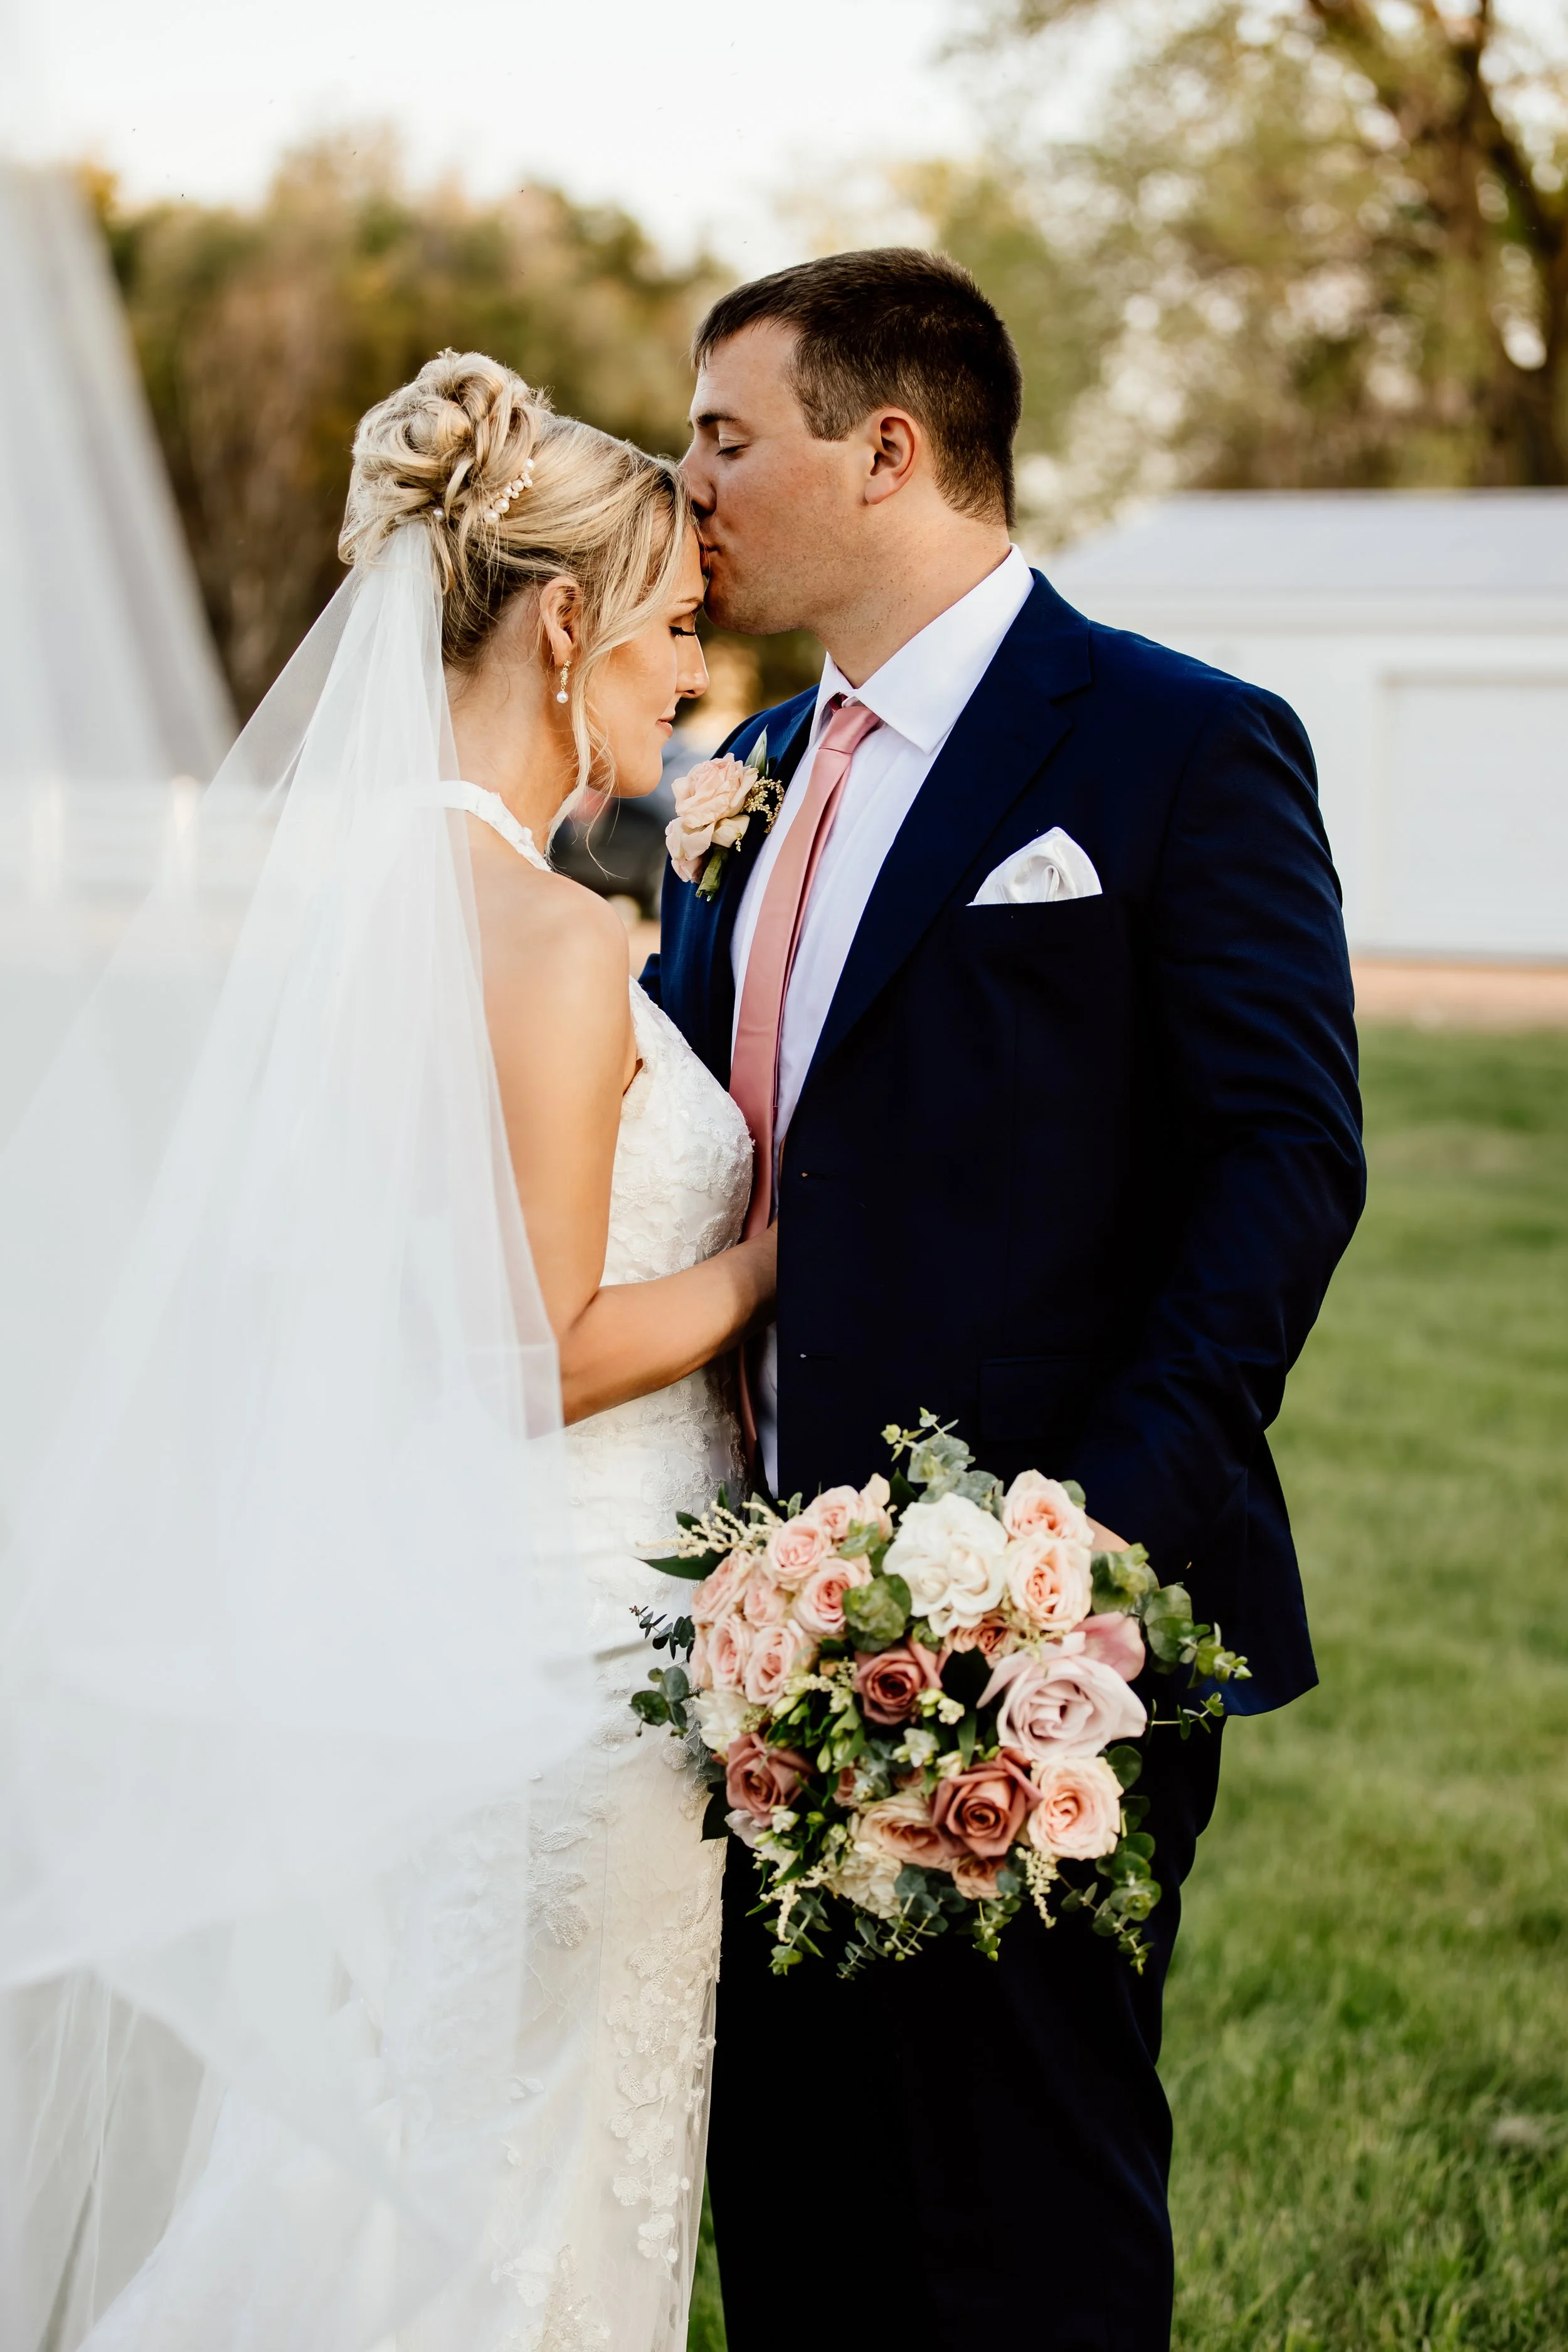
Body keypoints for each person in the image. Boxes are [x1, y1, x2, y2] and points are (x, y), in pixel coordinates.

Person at [0, 352, 772, 2351]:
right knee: (510, 2200)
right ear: (563, 618)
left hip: (423, 1624)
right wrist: (782, 1254)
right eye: (679, 627)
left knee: (406, 2162)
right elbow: (532, 1352)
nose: (694, 685)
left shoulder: (332, 904)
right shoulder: (543, 930)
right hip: (564, 1656)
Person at [647, 248, 1365, 2349]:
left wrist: (1075, 1555)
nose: (688, 484)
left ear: (883, 450)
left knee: (1020, 2228)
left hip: (1045, 1639)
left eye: (723, 436)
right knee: (792, 2217)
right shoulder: (743, 776)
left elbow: (1281, 1162)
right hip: (744, 1646)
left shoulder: (1172, 745)